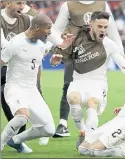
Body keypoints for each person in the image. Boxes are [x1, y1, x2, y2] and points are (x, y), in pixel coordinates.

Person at [50, 11, 125, 148]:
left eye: (105, 27)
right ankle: (82, 133)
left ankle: (90, 138)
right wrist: (54, 61)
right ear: (91, 25)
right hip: (79, 80)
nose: (103, 30)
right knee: (73, 99)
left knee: (92, 103)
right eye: (100, 26)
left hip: (98, 83)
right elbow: (59, 58)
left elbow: (121, 63)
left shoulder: (109, 44)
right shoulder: (77, 39)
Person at [1, 1, 63, 149]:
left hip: (32, 90)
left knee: (49, 129)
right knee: (22, 117)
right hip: (15, 87)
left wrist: (54, 61)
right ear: (36, 28)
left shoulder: (41, 44)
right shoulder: (15, 43)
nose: (49, 32)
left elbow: (55, 44)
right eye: (48, 28)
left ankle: (16, 140)